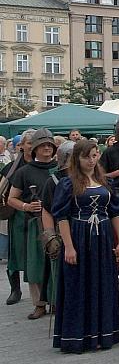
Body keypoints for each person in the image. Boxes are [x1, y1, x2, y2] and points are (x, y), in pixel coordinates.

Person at [51, 139, 119, 353]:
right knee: (79, 283)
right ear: (77, 158)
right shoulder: (68, 183)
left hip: (102, 239)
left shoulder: (104, 183)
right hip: (79, 236)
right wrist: (69, 247)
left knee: (102, 283)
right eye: (86, 156)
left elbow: (114, 214)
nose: (91, 160)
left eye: (94, 155)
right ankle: (78, 337)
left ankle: (103, 334)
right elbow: (62, 217)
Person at [7, 128, 59, 319]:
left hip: (57, 222)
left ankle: (55, 301)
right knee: (36, 265)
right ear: (35, 148)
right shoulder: (24, 172)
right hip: (35, 223)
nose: (46, 148)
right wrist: (27, 206)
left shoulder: (59, 168)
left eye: (49, 145)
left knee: (56, 263)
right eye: (43, 145)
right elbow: (11, 199)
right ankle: (39, 304)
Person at [40, 140, 75, 308]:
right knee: (60, 276)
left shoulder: (87, 178)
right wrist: (50, 235)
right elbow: (46, 209)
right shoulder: (53, 181)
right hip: (62, 232)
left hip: (83, 230)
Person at [1, 129, 34, 305]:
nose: (31, 146)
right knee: (15, 253)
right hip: (19, 214)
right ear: (21, 146)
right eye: (29, 143)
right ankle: (15, 289)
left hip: (38, 214)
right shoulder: (12, 167)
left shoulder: (44, 164)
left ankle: (40, 293)